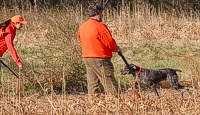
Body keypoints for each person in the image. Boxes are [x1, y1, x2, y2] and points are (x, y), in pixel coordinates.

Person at [77, 2, 121, 96]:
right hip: (100, 59)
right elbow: (109, 42)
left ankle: (94, 105)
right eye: (102, 13)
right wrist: (116, 48)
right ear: (98, 13)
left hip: (87, 58)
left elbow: (80, 38)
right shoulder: (100, 27)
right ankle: (116, 104)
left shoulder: (83, 26)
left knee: (93, 85)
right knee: (110, 84)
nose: (102, 15)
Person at [0, 15, 27, 86]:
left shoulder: (11, 28)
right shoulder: (9, 31)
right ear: (16, 23)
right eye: (21, 24)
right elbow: (10, 47)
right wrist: (18, 62)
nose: (22, 25)